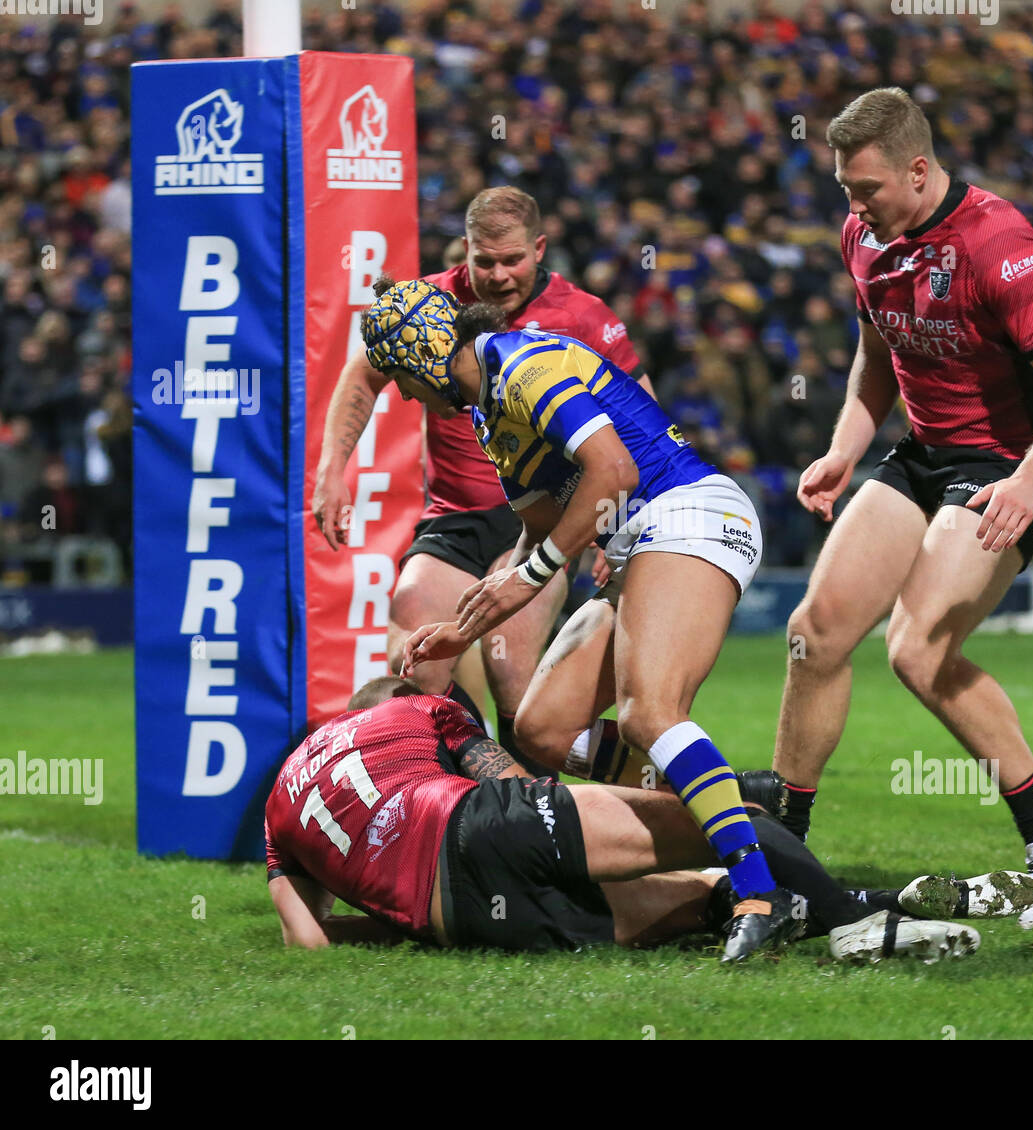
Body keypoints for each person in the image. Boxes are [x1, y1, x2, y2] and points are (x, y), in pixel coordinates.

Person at [356, 272, 812, 959]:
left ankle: (759, 891)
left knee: (649, 714)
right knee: (540, 729)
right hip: (642, 538)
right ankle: (732, 802)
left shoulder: (524, 364)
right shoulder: (487, 412)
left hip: (688, 511)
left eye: (400, 378)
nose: (406, 394)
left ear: (421, 355)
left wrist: (529, 579)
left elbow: (613, 471)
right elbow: (538, 532)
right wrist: (465, 628)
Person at [772, 88, 1033, 928]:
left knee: (915, 648)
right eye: (846, 189)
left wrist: (1028, 482)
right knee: (814, 634)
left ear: (918, 171)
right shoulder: (866, 236)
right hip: (923, 454)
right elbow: (874, 361)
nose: (853, 206)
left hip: (1004, 465)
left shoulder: (998, 241)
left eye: (867, 189)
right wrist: (846, 447)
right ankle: (783, 853)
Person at [265, 676, 983, 963]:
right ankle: (863, 911)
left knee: (695, 907)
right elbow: (508, 778)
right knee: (722, 819)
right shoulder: (415, 707)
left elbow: (311, 942)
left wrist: (398, 919)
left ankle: (844, 915)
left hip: (464, 923)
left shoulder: (278, 806)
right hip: (484, 822)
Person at [311, 187, 651, 767]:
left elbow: (637, 412)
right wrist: (331, 471)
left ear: (539, 249)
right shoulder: (427, 305)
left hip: (543, 517)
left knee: (518, 688)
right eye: (484, 261)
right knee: (414, 662)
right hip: (457, 516)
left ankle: (649, 790)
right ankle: (449, 807)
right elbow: (363, 375)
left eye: (512, 260)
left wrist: (618, 526)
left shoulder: (583, 317)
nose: (497, 275)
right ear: (465, 250)